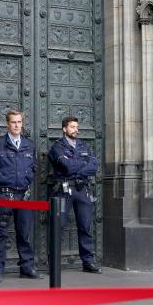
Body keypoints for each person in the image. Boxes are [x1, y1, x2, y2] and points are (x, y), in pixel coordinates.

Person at [0, 110, 43, 283]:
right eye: (13, 122)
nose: (17, 125)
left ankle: (27, 267)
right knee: (0, 234)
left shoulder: (30, 145)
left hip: (24, 197)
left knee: (24, 233)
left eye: (19, 122)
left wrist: (26, 180)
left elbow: (34, 167)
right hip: (4, 196)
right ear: (7, 124)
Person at [48, 116, 101, 274]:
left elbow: (94, 165)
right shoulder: (57, 147)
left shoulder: (85, 145)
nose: (76, 130)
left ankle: (88, 262)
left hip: (82, 190)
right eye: (72, 127)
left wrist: (78, 166)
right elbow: (67, 167)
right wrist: (83, 164)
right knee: (58, 226)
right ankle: (54, 264)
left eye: (77, 127)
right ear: (64, 129)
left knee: (85, 226)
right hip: (64, 190)